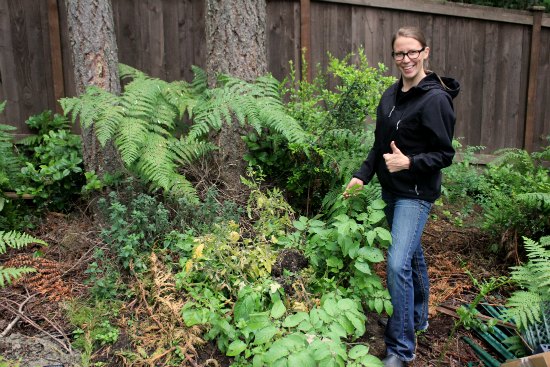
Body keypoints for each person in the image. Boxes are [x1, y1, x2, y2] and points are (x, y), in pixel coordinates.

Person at [345, 26, 460, 367]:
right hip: (390, 191)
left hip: (415, 193)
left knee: (396, 263)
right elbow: (380, 146)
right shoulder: (389, 95)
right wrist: (361, 175)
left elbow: (444, 154)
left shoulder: (436, 99)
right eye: (399, 53)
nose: (406, 59)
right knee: (411, 256)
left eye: (412, 52)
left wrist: (409, 161)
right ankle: (418, 317)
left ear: (425, 52)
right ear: (393, 56)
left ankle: (401, 347)